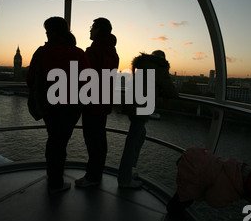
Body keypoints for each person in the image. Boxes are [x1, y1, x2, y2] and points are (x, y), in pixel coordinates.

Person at [27, 17, 89, 194]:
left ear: (54, 32)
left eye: (48, 30)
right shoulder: (78, 54)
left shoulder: (41, 52)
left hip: (49, 106)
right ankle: (56, 180)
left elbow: (30, 79)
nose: (46, 33)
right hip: (71, 107)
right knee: (60, 142)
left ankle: (53, 178)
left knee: (53, 140)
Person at [118, 50, 179, 188]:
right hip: (141, 107)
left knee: (139, 136)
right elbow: (170, 89)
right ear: (162, 59)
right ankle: (125, 179)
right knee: (132, 143)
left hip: (132, 104)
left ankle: (129, 171)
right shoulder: (159, 67)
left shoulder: (144, 64)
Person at [75, 18, 119, 188]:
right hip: (103, 103)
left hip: (91, 103)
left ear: (99, 30)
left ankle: (91, 177)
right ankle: (96, 175)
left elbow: (83, 76)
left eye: (92, 27)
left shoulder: (94, 52)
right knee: (100, 141)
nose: (90, 31)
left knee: (92, 141)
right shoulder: (112, 52)